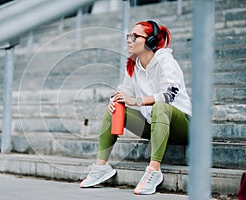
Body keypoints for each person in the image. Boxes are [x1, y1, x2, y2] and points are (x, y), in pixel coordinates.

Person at [79, 20, 192, 195]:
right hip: (153, 124)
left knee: (160, 106)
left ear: (151, 41)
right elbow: (124, 91)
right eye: (128, 36)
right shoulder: (133, 65)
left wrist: (136, 101)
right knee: (116, 105)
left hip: (182, 126)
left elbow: (169, 95)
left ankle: (154, 170)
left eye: (135, 36)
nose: (129, 40)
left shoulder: (166, 61)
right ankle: (101, 167)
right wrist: (115, 99)